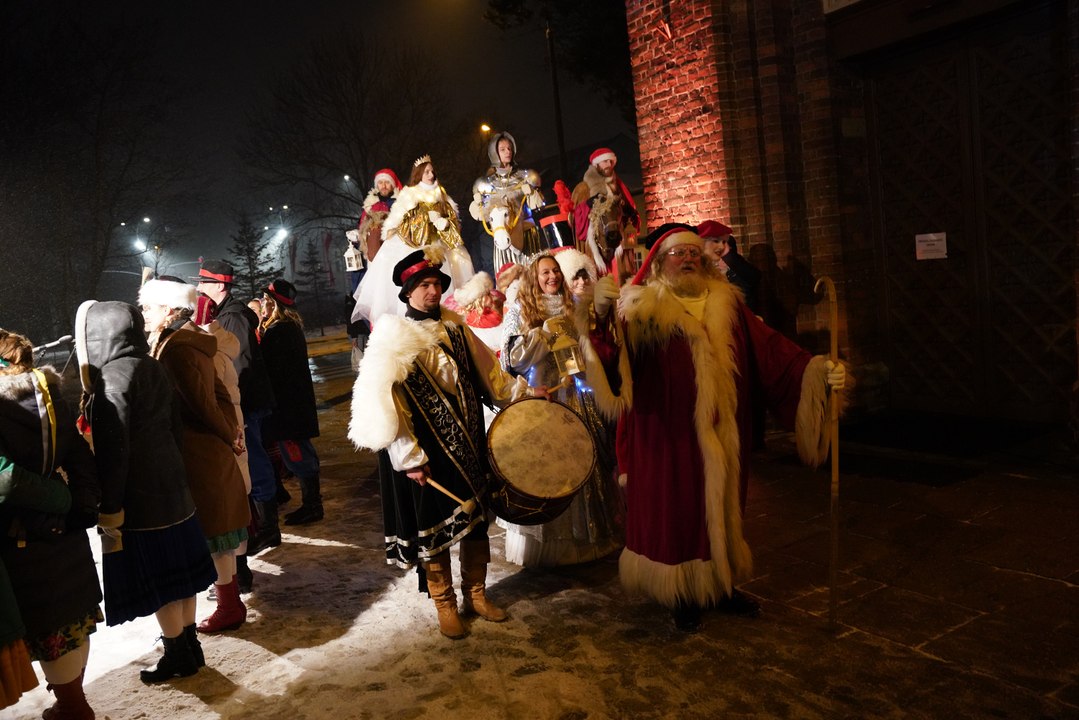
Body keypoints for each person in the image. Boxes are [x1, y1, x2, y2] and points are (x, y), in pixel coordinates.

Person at [581, 225, 847, 632]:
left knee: (723, 507)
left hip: (725, 430)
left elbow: (770, 349)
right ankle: (683, 591)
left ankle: (721, 585)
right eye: (677, 253)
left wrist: (815, 372)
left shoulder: (728, 303)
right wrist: (599, 317)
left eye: (693, 252)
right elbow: (617, 361)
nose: (688, 258)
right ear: (659, 262)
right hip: (669, 435)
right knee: (679, 509)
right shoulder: (644, 307)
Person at [348, 248, 547, 639]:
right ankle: (445, 603)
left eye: (437, 284)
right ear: (407, 293)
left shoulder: (456, 328)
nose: (432, 291)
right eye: (424, 286)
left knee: (474, 522)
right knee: (435, 530)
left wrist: (525, 393)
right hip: (429, 452)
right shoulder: (393, 340)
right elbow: (392, 406)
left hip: (469, 442)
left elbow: (491, 374)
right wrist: (409, 460)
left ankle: (476, 593)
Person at [74, 300, 216, 681]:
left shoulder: (112, 378)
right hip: (173, 487)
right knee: (182, 577)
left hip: (141, 497)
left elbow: (114, 450)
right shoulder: (150, 364)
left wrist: (112, 506)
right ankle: (190, 647)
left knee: (163, 580)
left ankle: (177, 655)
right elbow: (175, 429)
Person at [138, 278, 251, 635]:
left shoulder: (177, 347)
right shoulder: (186, 341)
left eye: (149, 307)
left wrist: (228, 436)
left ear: (169, 310)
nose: (144, 314)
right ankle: (228, 601)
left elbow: (201, 402)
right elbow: (217, 393)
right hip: (208, 450)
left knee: (217, 535)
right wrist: (231, 431)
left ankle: (229, 606)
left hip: (201, 453)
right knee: (219, 535)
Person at [0, 329, 101, 719]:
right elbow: (78, 453)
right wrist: (80, 506)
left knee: (51, 627)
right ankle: (72, 702)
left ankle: (74, 708)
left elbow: (5, 479)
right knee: (72, 619)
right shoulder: (45, 391)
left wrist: (63, 502)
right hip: (62, 530)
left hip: (21, 532)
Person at [499, 252, 622, 566]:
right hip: (543, 398)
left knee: (581, 458)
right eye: (545, 273)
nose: (552, 277)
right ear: (534, 279)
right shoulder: (520, 310)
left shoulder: (574, 306)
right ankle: (549, 547)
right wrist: (543, 334)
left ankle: (586, 540)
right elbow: (511, 360)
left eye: (555, 271)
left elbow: (589, 347)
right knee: (547, 463)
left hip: (577, 395)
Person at [195, 260, 277, 588]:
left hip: (247, 405)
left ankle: (268, 528)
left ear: (219, 286)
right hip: (244, 403)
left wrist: (226, 402)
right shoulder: (226, 314)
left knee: (254, 466)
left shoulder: (232, 317)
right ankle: (262, 527)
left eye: (203, 283)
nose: (199, 288)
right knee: (251, 466)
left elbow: (237, 363)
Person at [352, 156, 475, 326]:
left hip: (442, 248)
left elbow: (454, 223)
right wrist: (423, 222)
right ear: (419, 174)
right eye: (426, 171)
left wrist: (444, 223)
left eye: (432, 171)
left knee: (449, 285)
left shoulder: (442, 196)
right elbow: (396, 224)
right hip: (416, 247)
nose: (431, 175)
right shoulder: (410, 195)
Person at [258, 280, 323, 525]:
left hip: (288, 409)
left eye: (266, 300)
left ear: (275, 304)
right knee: (300, 454)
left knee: (299, 456)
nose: (263, 304)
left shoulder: (280, 330)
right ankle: (312, 503)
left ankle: (312, 505)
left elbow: (274, 370)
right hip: (292, 407)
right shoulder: (287, 327)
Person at [468, 131, 545, 269]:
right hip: (502, 238)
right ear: (494, 153)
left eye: (509, 148)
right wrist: (479, 203)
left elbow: (538, 205)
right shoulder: (485, 184)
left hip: (526, 234)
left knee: (532, 274)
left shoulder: (525, 177)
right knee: (507, 278)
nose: (507, 152)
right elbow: (480, 215)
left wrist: (532, 193)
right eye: (502, 149)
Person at [571, 147, 641, 279]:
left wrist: (626, 208)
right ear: (596, 164)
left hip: (619, 243)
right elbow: (577, 218)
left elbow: (632, 213)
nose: (609, 165)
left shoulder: (619, 186)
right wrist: (588, 204)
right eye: (604, 162)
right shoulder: (584, 187)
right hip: (595, 244)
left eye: (611, 161)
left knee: (622, 278)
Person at [346, 167, 402, 293]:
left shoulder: (399, 204)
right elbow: (362, 228)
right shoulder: (370, 207)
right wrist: (357, 236)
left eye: (387, 182)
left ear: (392, 185)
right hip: (372, 257)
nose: (384, 186)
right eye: (380, 182)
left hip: (392, 253)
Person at [698, 220, 761, 313]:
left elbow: (754, 278)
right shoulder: (698, 269)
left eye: (724, 242)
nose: (721, 245)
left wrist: (728, 256)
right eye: (715, 241)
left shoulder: (732, 261)